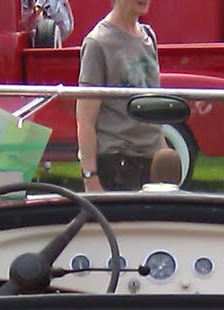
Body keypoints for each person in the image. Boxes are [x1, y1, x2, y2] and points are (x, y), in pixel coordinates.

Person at [76, 0, 168, 192]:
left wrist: (164, 152)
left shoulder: (149, 37)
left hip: (152, 159)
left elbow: (154, 106)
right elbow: (85, 119)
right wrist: (90, 177)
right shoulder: (97, 43)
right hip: (116, 160)